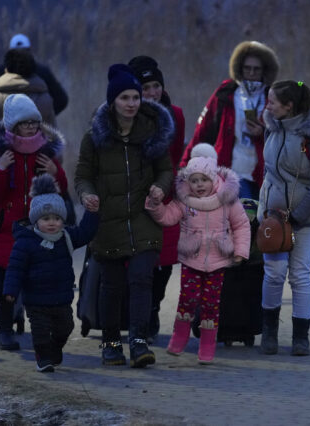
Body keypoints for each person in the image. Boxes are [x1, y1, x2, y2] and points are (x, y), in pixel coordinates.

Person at [75, 64, 173, 368]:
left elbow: (167, 170)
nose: (132, 103)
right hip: (109, 221)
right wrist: (87, 194)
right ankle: (112, 343)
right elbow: (82, 175)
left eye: (135, 97)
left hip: (143, 217)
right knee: (112, 285)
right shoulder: (95, 137)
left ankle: (139, 342)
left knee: (142, 278)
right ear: (113, 101)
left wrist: (159, 187)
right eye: (125, 98)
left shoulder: (151, 130)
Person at [257, 80, 310, 356]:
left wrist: (296, 216)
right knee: (274, 273)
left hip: (305, 217)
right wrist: (266, 210)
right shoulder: (273, 126)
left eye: (272, 101)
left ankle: (300, 338)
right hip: (272, 218)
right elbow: (269, 174)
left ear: (288, 106)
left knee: (299, 275)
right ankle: (269, 333)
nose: (267, 106)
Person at [146, 143, 251, 364]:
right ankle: (179, 336)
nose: (199, 185)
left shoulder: (226, 200)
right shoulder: (185, 202)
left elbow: (241, 224)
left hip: (218, 260)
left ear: (213, 179)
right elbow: (167, 217)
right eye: (194, 181)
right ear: (187, 182)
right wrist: (155, 206)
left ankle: (207, 344)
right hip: (191, 258)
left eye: (203, 180)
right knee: (187, 299)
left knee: (211, 304)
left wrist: (241, 251)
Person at [0, 93, 68, 351]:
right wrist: (0, 169)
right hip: (5, 230)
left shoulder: (45, 152)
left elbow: (60, 190)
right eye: (25, 123)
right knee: (5, 287)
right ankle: (4, 331)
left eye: (34, 122)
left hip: (37, 231)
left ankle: (40, 330)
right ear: (12, 125)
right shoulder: (0, 153)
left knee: (38, 285)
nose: (30, 127)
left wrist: (56, 173)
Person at [3, 174, 99, 372]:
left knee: (66, 327)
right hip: (36, 301)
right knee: (40, 331)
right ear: (36, 220)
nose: (52, 223)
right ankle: (43, 356)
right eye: (46, 218)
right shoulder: (26, 242)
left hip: (61, 298)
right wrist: (10, 291)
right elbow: (15, 269)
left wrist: (92, 213)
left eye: (56, 218)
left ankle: (54, 349)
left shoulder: (66, 237)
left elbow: (86, 232)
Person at [128, 55, 185, 343]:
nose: (152, 93)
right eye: (145, 87)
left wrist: (171, 187)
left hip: (166, 197)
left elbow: (176, 157)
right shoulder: (126, 118)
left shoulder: (175, 115)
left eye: (155, 86)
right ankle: (140, 316)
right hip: (135, 197)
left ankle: (152, 307)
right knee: (141, 262)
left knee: (164, 262)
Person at [180, 40, 279, 200]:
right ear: (240, 68)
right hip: (233, 172)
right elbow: (202, 131)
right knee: (243, 219)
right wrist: (184, 167)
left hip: (266, 174)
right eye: (247, 68)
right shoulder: (226, 93)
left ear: (264, 70)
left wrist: (262, 133)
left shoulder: (273, 97)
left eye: (256, 69)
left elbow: (284, 137)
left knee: (262, 221)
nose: (252, 72)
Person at [0, 48, 56, 162]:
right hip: (38, 166)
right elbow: (52, 137)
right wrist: (55, 169)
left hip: (4, 166)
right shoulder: (45, 97)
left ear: (6, 69)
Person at [0, 33, 68, 116]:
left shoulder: (1, 71)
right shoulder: (42, 71)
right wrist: (43, 117)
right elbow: (62, 100)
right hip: (34, 125)